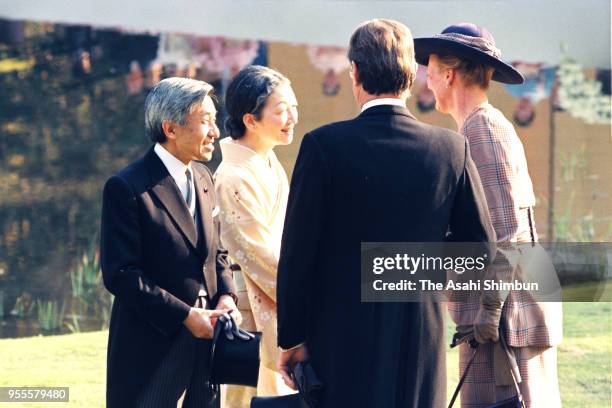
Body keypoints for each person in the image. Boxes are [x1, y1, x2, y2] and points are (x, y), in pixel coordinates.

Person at [276, 19, 495, 407]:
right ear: (412, 75)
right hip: (419, 336)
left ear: (355, 73)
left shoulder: (322, 146)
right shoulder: (451, 149)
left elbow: (297, 254)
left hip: (339, 334)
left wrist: (291, 338)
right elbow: (479, 250)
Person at [415, 23, 563, 407]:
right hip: (496, 315)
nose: (427, 81)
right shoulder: (479, 127)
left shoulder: (483, 130)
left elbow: (507, 232)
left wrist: (489, 310)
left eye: (429, 71)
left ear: (448, 75)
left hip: (504, 319)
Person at [100, 77, 240, 408]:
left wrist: (226, 297)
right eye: (205, 121)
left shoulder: (205, 177)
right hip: (153, 344)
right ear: (171, 128)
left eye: (214, 120)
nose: (215, 132)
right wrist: (184, 315)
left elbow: (216, 252)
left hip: (207, 341)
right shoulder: (126, 187)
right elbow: (120, 274)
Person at [214, 65, 298, 401]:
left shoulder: (267, 163)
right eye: (280, 111)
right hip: (249, 312)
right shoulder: (231, 177)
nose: (291, 117)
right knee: (247, 398)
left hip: (275, 299)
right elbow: (258, 255)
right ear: (250, 120)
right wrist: (305, 292)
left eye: (294, 108)